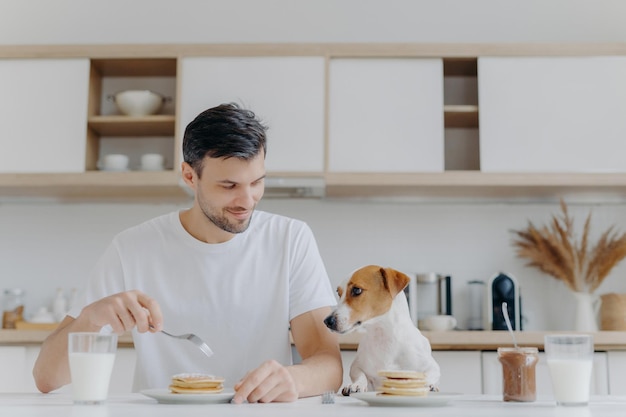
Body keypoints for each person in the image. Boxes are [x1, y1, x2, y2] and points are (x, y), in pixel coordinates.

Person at [33, 103, 343, 403]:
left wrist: (294, 380)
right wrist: (89, 319)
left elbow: (328, 363)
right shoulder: (132, 248)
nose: (247, 200)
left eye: (257, 182)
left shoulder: (290, 239)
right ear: (189, 176)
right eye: (229, 185)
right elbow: (46, 377)